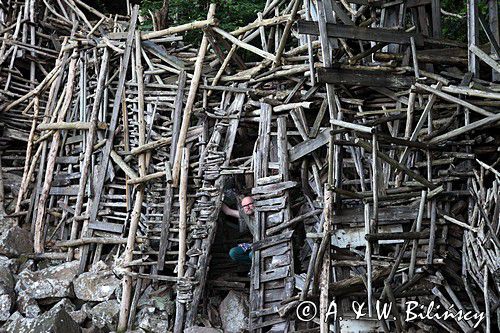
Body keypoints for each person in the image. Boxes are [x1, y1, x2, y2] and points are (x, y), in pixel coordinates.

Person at [221, 196, 255, 265]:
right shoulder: (245, 214)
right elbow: (228, 211)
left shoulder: (263, 214)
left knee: (252, 254)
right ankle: (252, 265)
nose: (247, 207)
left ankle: (256, 265)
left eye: (249, 204)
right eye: (245, 206)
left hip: (263, 243)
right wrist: (218, 200)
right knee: (233, 253)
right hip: (253, 244)